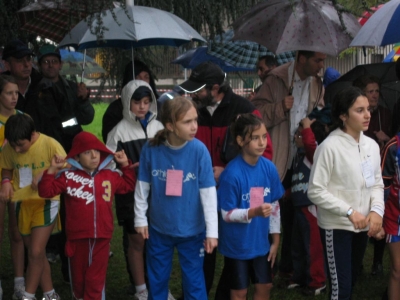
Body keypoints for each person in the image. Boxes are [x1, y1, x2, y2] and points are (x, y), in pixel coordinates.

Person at [178, 61, 273, 298]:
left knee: (234, 253)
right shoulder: (194, 111)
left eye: (198, 90)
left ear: (216, 88)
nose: (193, 95)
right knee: (203, 249)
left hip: (236, 198)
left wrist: (229, 169)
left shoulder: (246, 110)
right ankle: (199, 293)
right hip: (200, 196)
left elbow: (265, 153)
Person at [251, 50, 326, 280]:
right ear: (302, 59)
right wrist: (280, 107)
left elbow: (320, 113)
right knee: (269, 209)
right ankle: (264, 267)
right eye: (317, 60)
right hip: (277, 157)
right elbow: (256, 114)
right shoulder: (276, 79)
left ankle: (289, 266)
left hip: (302, 158)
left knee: (298, 214)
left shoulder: (318, 84)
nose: (321, 66)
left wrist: (309, 130)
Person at [134, 96, 218, 300]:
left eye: (195, 120)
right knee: (157, 279)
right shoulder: (151, 149)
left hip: (193, 232)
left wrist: (212, 231)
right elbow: (142, 186)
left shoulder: (199, 151)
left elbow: (208, 194)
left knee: (194, 281)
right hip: (159, 230)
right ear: (170, 125)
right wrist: (140, 219)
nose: (194, 126)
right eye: (187, 122)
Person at [38, 131, 136, 300]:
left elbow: (128, 185)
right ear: (76, 157)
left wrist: (125, 165)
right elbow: (45, 191)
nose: (93, 156)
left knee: (95, 280)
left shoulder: (110, 176)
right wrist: (53, 169)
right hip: (77, 239)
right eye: (87, 152)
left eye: (97, 151)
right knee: (78, 280)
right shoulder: (68, 176)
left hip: (102, 238)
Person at [308, 86, 384, 300]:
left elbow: (376, 184)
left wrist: (376, 211)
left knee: (350, 282)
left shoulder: (371, 146)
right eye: (359, 110)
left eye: (368, 109)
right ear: (343, 115)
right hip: (337, 226)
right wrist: (349, 211)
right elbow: (315, 190)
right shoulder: (329, 147)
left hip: (362, 227)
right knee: (340, 289)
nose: (367, 115)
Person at [106, 80, 163, 300]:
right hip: (130, 196)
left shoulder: (160, 129)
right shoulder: (118, 131)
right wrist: (126, 168)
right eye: (137, 101)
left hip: (158, 195)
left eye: (146, 102)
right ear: (128, 102)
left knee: (157, 242)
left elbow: (170, 158)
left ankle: (158, 286)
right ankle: (141, 288)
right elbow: (108, 166)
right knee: (136, 241)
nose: (142, 106)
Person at [217, 113, 284, 300]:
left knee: (265, 286)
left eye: (264, 136)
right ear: (240, 140)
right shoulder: (231, 174)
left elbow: (274, 205)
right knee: (239, 292)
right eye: (255, 138)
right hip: (237, 245)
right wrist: (253, 212)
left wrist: (276, 241)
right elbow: (226, 214)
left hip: (261, 243)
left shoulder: (269, 168)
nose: (262, 142)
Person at [0, 114, 65, 300]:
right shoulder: (11, 147)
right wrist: (5, 181)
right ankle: (50, 294)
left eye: (21, 144)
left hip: (47, 201)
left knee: (36, 251)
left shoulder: (50, 144)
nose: (17, 149)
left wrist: (46, 174)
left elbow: (68, 167)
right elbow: (6, 166)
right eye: (13, 145)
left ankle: (28, 296)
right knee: (36, 253)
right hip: (23, 203)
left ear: (33, 135)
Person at [289, 116, 329, 296]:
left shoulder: (315, 156)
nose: (297, 138)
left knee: (313, 246)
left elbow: (312, 145)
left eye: (299, 135)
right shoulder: (300, 158)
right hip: (299, 208)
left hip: (312, 209)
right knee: (298, 244)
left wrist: (306, 127)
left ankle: (317, 281)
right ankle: (299, 276)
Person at [0, 75, 25, 300]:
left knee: (17, 232)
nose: (14, 97)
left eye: (16, 93)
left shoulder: (24, 119)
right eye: (9, 93)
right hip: (0, 182)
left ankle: (19, 282)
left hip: (20, 183)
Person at [102, 59, 159, 143]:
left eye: (146, 77)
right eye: (137, 77)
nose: (142, 81)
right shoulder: (115, 109)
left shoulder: (159, 107)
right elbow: (110, 140)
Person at [379, 130, 400, 300]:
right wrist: (379, 218)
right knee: (397, 269)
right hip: (394, 217)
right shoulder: (393, 146)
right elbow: (382, 186)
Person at [353, 74, 391, 148]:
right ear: (362, 94)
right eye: (371, 92)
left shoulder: (385, 113)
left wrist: (387, 139)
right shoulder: (356, 115)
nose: (375, 95)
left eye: (377, 91)